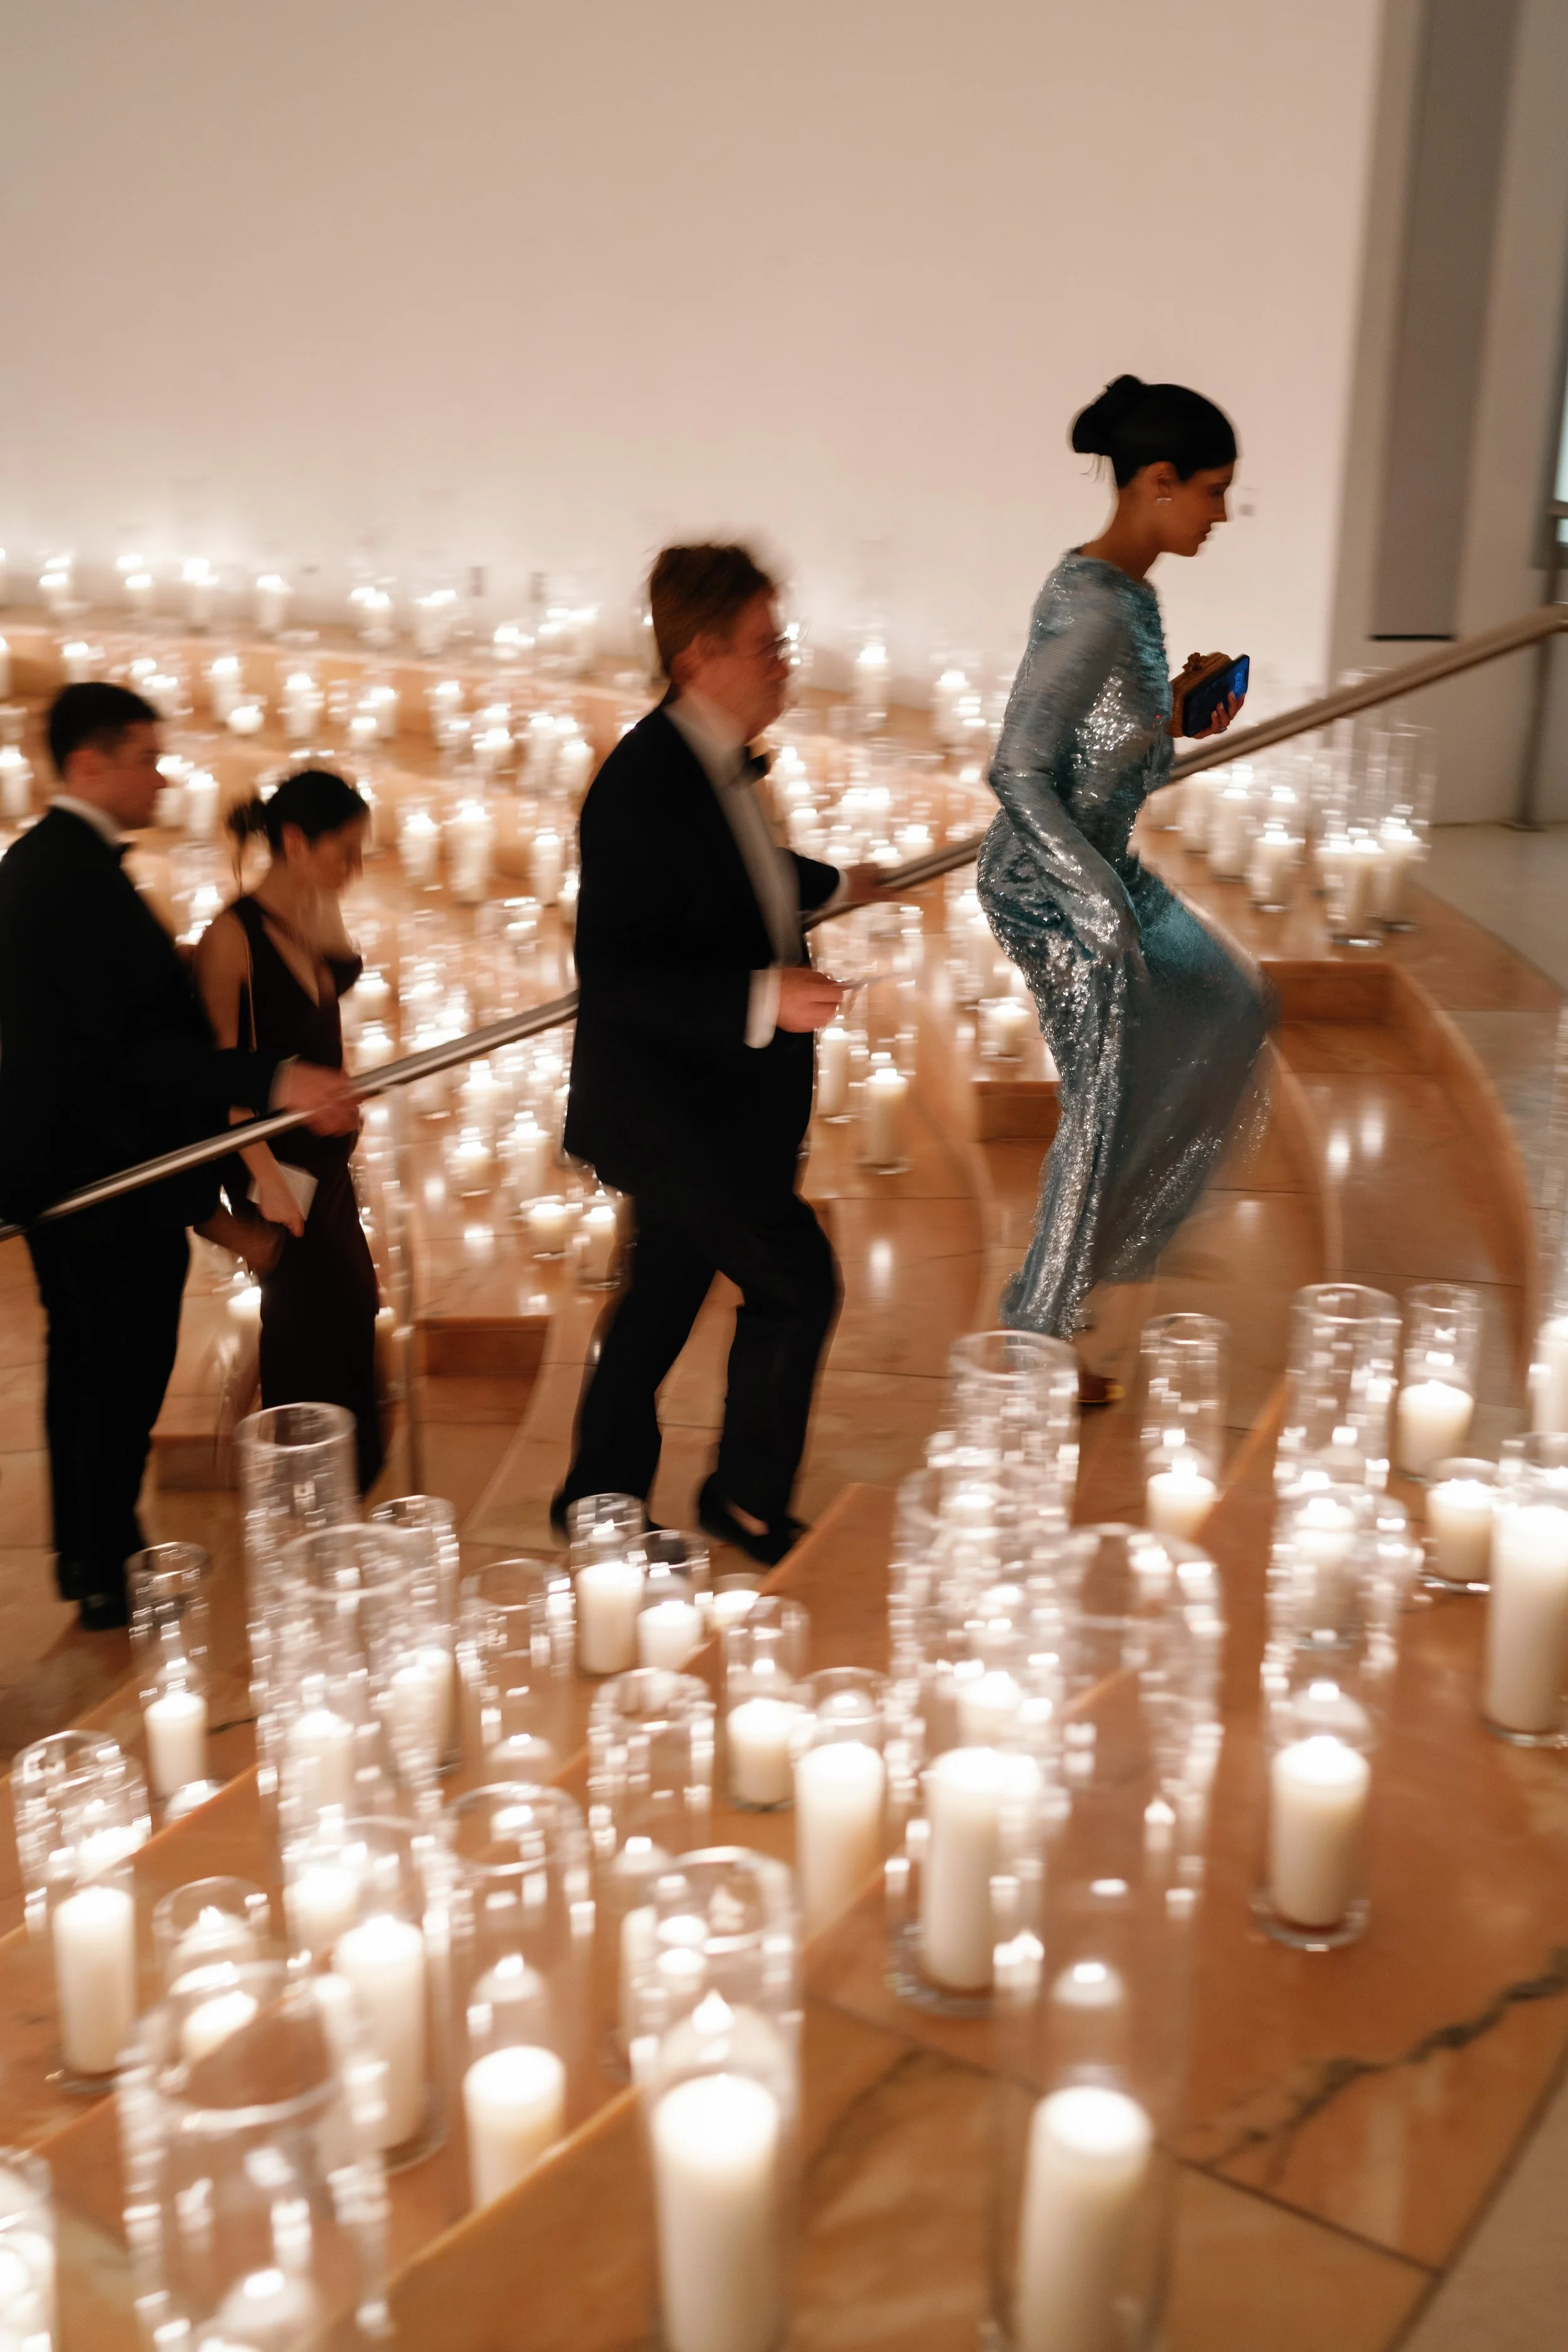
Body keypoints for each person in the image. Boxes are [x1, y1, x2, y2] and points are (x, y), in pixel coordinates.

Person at [0, 684, 356, 1628]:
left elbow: (97, 1024)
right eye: (145, 759)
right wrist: (276, 1075)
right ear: (89, 765)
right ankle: (106, 1567)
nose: (161, 779)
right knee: (115, 1372)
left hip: (72, 1173)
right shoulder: (73, 878)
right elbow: (130, 1056)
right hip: (104, 1182)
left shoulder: (45, 865)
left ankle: (95, 1555)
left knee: (89, 1369)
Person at [557, 543, 884, 1564]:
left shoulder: (709, 757)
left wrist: (839, 886)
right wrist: (764, 995)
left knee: (660, 1301)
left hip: (718, 1104)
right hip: (674, 1115)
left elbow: (741, 873)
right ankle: (742, 1497)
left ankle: (595, 1500)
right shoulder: (639, 785)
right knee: (798, 1280)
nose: (784, 660)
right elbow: (616, 977)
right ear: (698, 655)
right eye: (765, 644)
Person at [978, 375, 1271, 1394]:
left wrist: (1174, 719)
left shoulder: (1128, 594)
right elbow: (1018, 770)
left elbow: (1105, 757)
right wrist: (1095, 910)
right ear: (1158, 482)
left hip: (1102, 869)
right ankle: (1037, 1341)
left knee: (1231, 1005)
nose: (1221, 514)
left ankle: (1105, 1256)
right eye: (1213, 491)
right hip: (1053, 887)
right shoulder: (1096, 609)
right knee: (1102, 1104)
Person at [194, 768, 384, 1492]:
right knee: (308, 1340)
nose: (356, 869)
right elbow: (222, 1081)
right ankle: (306, 1494)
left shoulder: (308, 920)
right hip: (279, 1180)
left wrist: (318, 889)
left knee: (352, 1319)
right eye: (345, 851)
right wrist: (268, 1183)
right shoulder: (231, 937)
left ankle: (344, 1490)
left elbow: (331, 999)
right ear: (297, 842)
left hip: (324, 1175)